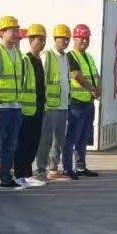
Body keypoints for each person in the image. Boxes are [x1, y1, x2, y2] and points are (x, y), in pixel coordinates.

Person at [0, 14, 26, 189]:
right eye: (13, 30)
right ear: (2, 32)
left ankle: (5, 177)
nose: (17, 33)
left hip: (15, 106)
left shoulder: (17, 52)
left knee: (11, 145)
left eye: (17, 29)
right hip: (0, 106)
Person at [64, 22, 102, 178]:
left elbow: (96, 75)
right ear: (75, 38)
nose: (85, 41)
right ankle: (67, 168)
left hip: (88, 102)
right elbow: (76, 75)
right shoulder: (71, 56)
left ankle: (81, 166)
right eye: (82, 38)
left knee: (84, 137)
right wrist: (92, 88)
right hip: (76, 103)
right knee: (72, 137)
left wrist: (99, 89)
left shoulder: (88, 56)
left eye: (87, 38)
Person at [37, 24, 72, 182]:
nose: (65, 41)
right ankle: (41, 168)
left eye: (67, 39)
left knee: (59, 139)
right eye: (62, 38)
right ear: (55, 39)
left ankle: (53, 168)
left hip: (63, 103)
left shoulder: (66, 57)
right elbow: (41, 79)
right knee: (46, 138)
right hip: (50, 104)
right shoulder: (48, 55)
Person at [14, 24, 48, 187]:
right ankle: (20, 174)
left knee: (34, 142)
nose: (42, 43)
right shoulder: (25, 60)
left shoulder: (39, 60)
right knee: (24, 143)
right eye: (39, 39)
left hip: (38, 108)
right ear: (31, 40)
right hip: (26, 109)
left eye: (44, 40)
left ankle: (27, 174)